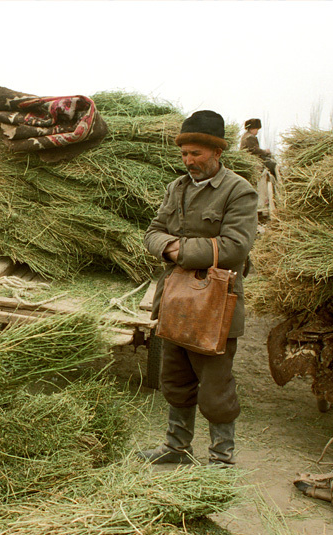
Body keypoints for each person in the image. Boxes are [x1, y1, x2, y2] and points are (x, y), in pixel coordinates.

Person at [138, 110, 258, 467]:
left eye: (196, 154)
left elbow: (235, 247)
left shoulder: (239, 191)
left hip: (215, 303)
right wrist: (170, 247)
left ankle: (221, 458)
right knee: (175, 378)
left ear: (217, 152)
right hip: (175, 299)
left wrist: (180, 251)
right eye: (184, 154)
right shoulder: (177, 188)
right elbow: (152, 232)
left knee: (216, 385)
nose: (189, 161)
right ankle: (176, 448)